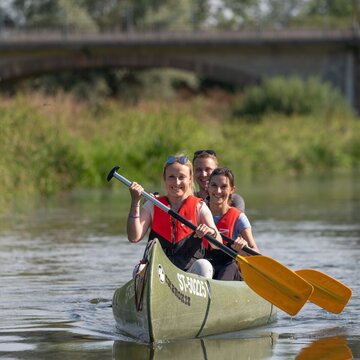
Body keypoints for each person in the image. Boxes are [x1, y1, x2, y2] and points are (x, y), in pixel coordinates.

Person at [127, 154, 223, 279]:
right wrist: (135, 202)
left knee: (205, 266)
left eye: (181, 177)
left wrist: (210, 232)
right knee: (139, 269)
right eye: (171, 177)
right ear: (165, 179)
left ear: (189, 179)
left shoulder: (200, 207)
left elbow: (218, 243)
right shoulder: (152, 205)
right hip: (159, 272)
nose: (176, 182)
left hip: (188, 276)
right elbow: (134, 237)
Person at [205, 167, 259, 281]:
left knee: (231, 267)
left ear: (232, 189)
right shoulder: (198, 210)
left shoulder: (239, 218)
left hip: (229, 269)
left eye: (224, 187)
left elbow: (256, 253)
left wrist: (243, 249)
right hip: (205, 266)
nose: (218, 191)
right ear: (208, 187)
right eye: (214, 185)